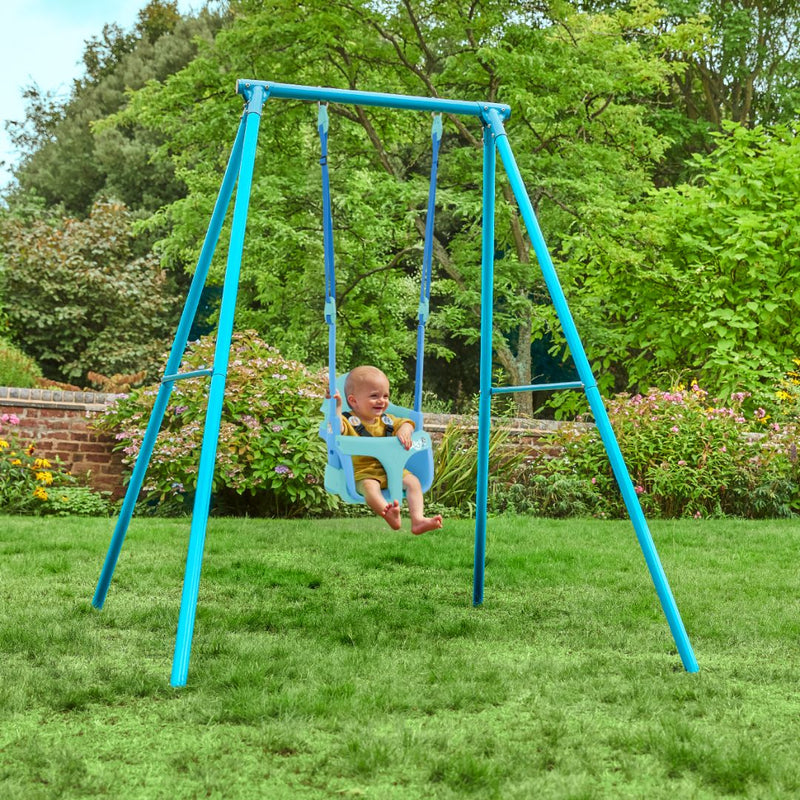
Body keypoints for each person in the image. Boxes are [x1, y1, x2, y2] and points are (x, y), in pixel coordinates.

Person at [329, 365, 443, 535]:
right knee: (370, 488)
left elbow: (406, 423)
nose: (381, 401)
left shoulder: (388, 420)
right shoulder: (348, 420)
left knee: (414, 483)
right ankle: (387, 512)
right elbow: (336, 431)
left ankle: (418, 519)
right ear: (353, 401)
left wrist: (405, 430)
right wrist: (336, 408)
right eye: (374, 396)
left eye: (385, 396)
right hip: (364, 473)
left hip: (394, 471)